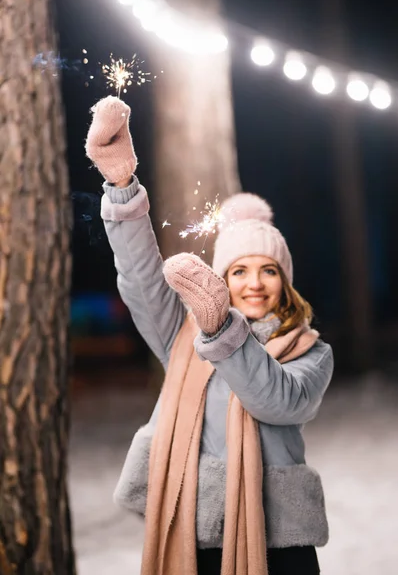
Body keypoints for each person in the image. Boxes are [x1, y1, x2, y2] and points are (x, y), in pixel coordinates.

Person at [85, 96, 334, 575]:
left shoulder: (310, 350)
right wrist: (121, 188)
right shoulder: (185, 335)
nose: (254, 283)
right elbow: (140, 280)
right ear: (223, 277)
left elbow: (276, 401)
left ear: (285, 281)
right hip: (191, 523)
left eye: (268, 271)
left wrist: (223, 329)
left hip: (280, 539)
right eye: (239, 270)